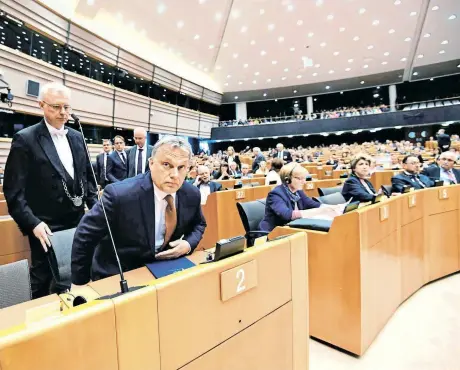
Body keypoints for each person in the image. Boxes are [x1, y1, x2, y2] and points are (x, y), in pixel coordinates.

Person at [3, 82, 98, 298]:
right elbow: (13, 192)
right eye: (56, 107)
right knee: (43, 280)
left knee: (79, 275)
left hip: (78, 220)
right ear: (41, 105)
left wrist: (96, 214)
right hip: (45, 225)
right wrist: (33, 223)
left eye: (66, 107)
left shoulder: (77, 136)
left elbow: (89, 182)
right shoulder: (25, 139)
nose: (63, 112)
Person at [71, 136, 207, 285]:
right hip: (120, 274)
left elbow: (199, 225)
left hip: (164, 269)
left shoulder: (191, 194)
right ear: (151, 163)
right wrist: (80, 283)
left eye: (181, 167)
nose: (175, 175)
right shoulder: (120, 195)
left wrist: (187, 244)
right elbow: (85, 235)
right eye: (167, 164)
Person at [259, 163, 321, 232]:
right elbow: (286, 215)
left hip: (290, 230)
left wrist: (331, 208)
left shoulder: (298, 192)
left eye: (304, 178)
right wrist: (311, 212)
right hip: (272, 233)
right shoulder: (276, 194)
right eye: (300, 178)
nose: (304, 182)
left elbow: (313, 204)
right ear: (287, 179)